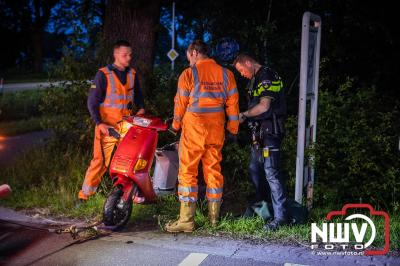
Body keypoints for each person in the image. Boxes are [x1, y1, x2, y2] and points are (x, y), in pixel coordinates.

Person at [165, 40, 239, 233]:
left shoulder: (189, 74)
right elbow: (233, 105)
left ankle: (186, 221)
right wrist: (233, 128)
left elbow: (180, 104)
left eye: (189, 56)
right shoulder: (226, 74)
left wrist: (174, 125)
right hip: (216, 130)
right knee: (213, 170)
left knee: (188, 171)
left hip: (194, 129)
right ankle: (214, 219)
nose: (188, 60)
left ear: (195, 53)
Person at [78, 40, 145, 202]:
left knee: (131, 161)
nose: (129, 58)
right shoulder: (103, 74)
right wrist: (99, 123)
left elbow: (139, 97)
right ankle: (84, 196)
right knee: (99, 162)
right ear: (116, 54)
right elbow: (92, 103)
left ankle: (131, 194)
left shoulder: (132, 74)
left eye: (130, 54)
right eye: (125, 55)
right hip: (107, 127)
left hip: (127, 127)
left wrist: (141, 109)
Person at [233, 54, 288, 231]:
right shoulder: (255, 79)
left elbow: (264, 106)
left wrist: (244, 115)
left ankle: (281, 218)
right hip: (259, 134)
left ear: (248, 63)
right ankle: (263, 210)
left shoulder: (266, 76)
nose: (241, 74)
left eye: (241, 70)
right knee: (255, 169)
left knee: (271, 173)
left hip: (270, 132)